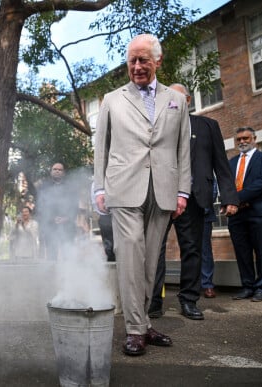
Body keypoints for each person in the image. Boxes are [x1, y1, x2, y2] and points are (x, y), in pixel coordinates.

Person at [93, 34, 191, 356]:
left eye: (143, 60)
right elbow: (101, 148)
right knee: (131, 256)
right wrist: (99, 187)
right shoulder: (112, 99)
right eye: (131, 61)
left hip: (163, 189)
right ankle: (135, 329)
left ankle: (144, 322)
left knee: (151, 263)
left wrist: (182, 191)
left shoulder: (176, 100)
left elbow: (183, 149)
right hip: (123, 188)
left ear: (157, 61)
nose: (136, 67)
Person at [148, 84, 238, 320]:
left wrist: (229, 196)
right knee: (154, 250)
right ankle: (153, 301)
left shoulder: (208, 126)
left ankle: (189, 300)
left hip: (194, 196)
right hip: (160, 196)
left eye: (177, 97)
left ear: (187, 100)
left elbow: (221, 163)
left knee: (192, 250)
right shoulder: (156, 125)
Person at [228, 127, 262, 302]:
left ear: (254, 138)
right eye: (238, 139)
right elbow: (226, 185)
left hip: (259, 212)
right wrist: (229, 201)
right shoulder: (231, 162)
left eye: (246, 138)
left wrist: (236, 199)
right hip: (236, 215)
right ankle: (247, 286)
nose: (242, 141)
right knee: (242, 252)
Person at [36, 163, 78, 260]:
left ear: (63, 173)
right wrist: (51, 218)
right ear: (51, 171)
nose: (57, 171)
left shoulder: (71, 187)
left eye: (60, 169)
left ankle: (68, 274)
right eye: (55, 169)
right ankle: (52, 274)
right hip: (50, 226)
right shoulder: (43, 187)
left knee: (68, 255)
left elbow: (74, 206)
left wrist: (66, 218)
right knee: (51, 255)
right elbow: (40, 207)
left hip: (67, 227)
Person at [201, 180, 219, 298]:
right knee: (188, 250)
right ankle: (190, 284)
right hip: (185, 216)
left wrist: (201, 207)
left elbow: (213, 191)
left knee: (205, 251)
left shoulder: (205, 166)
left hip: (204, 214)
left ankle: (207, 284)